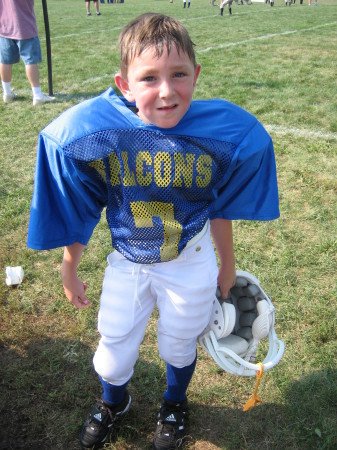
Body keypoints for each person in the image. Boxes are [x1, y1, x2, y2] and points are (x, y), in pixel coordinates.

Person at [27, 13, 279, 450]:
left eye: (179, 74)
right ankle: (114, 403)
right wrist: (70, 265)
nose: (166, 91)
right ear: (124, 85)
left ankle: (174, 403)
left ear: (196, 75)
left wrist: (228, 265)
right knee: (113, 348)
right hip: (128, 260)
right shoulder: (103, 133)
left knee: (180, 342)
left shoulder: (215, 134)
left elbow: (219, 205)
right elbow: (84, 204)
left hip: (189, 259)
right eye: (148, 78)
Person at [0, 0, 55, 105]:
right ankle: (37, 94)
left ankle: (7, 93)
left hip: (4, 26)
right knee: (30, 60)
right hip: (24, 25)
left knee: (5, 61)